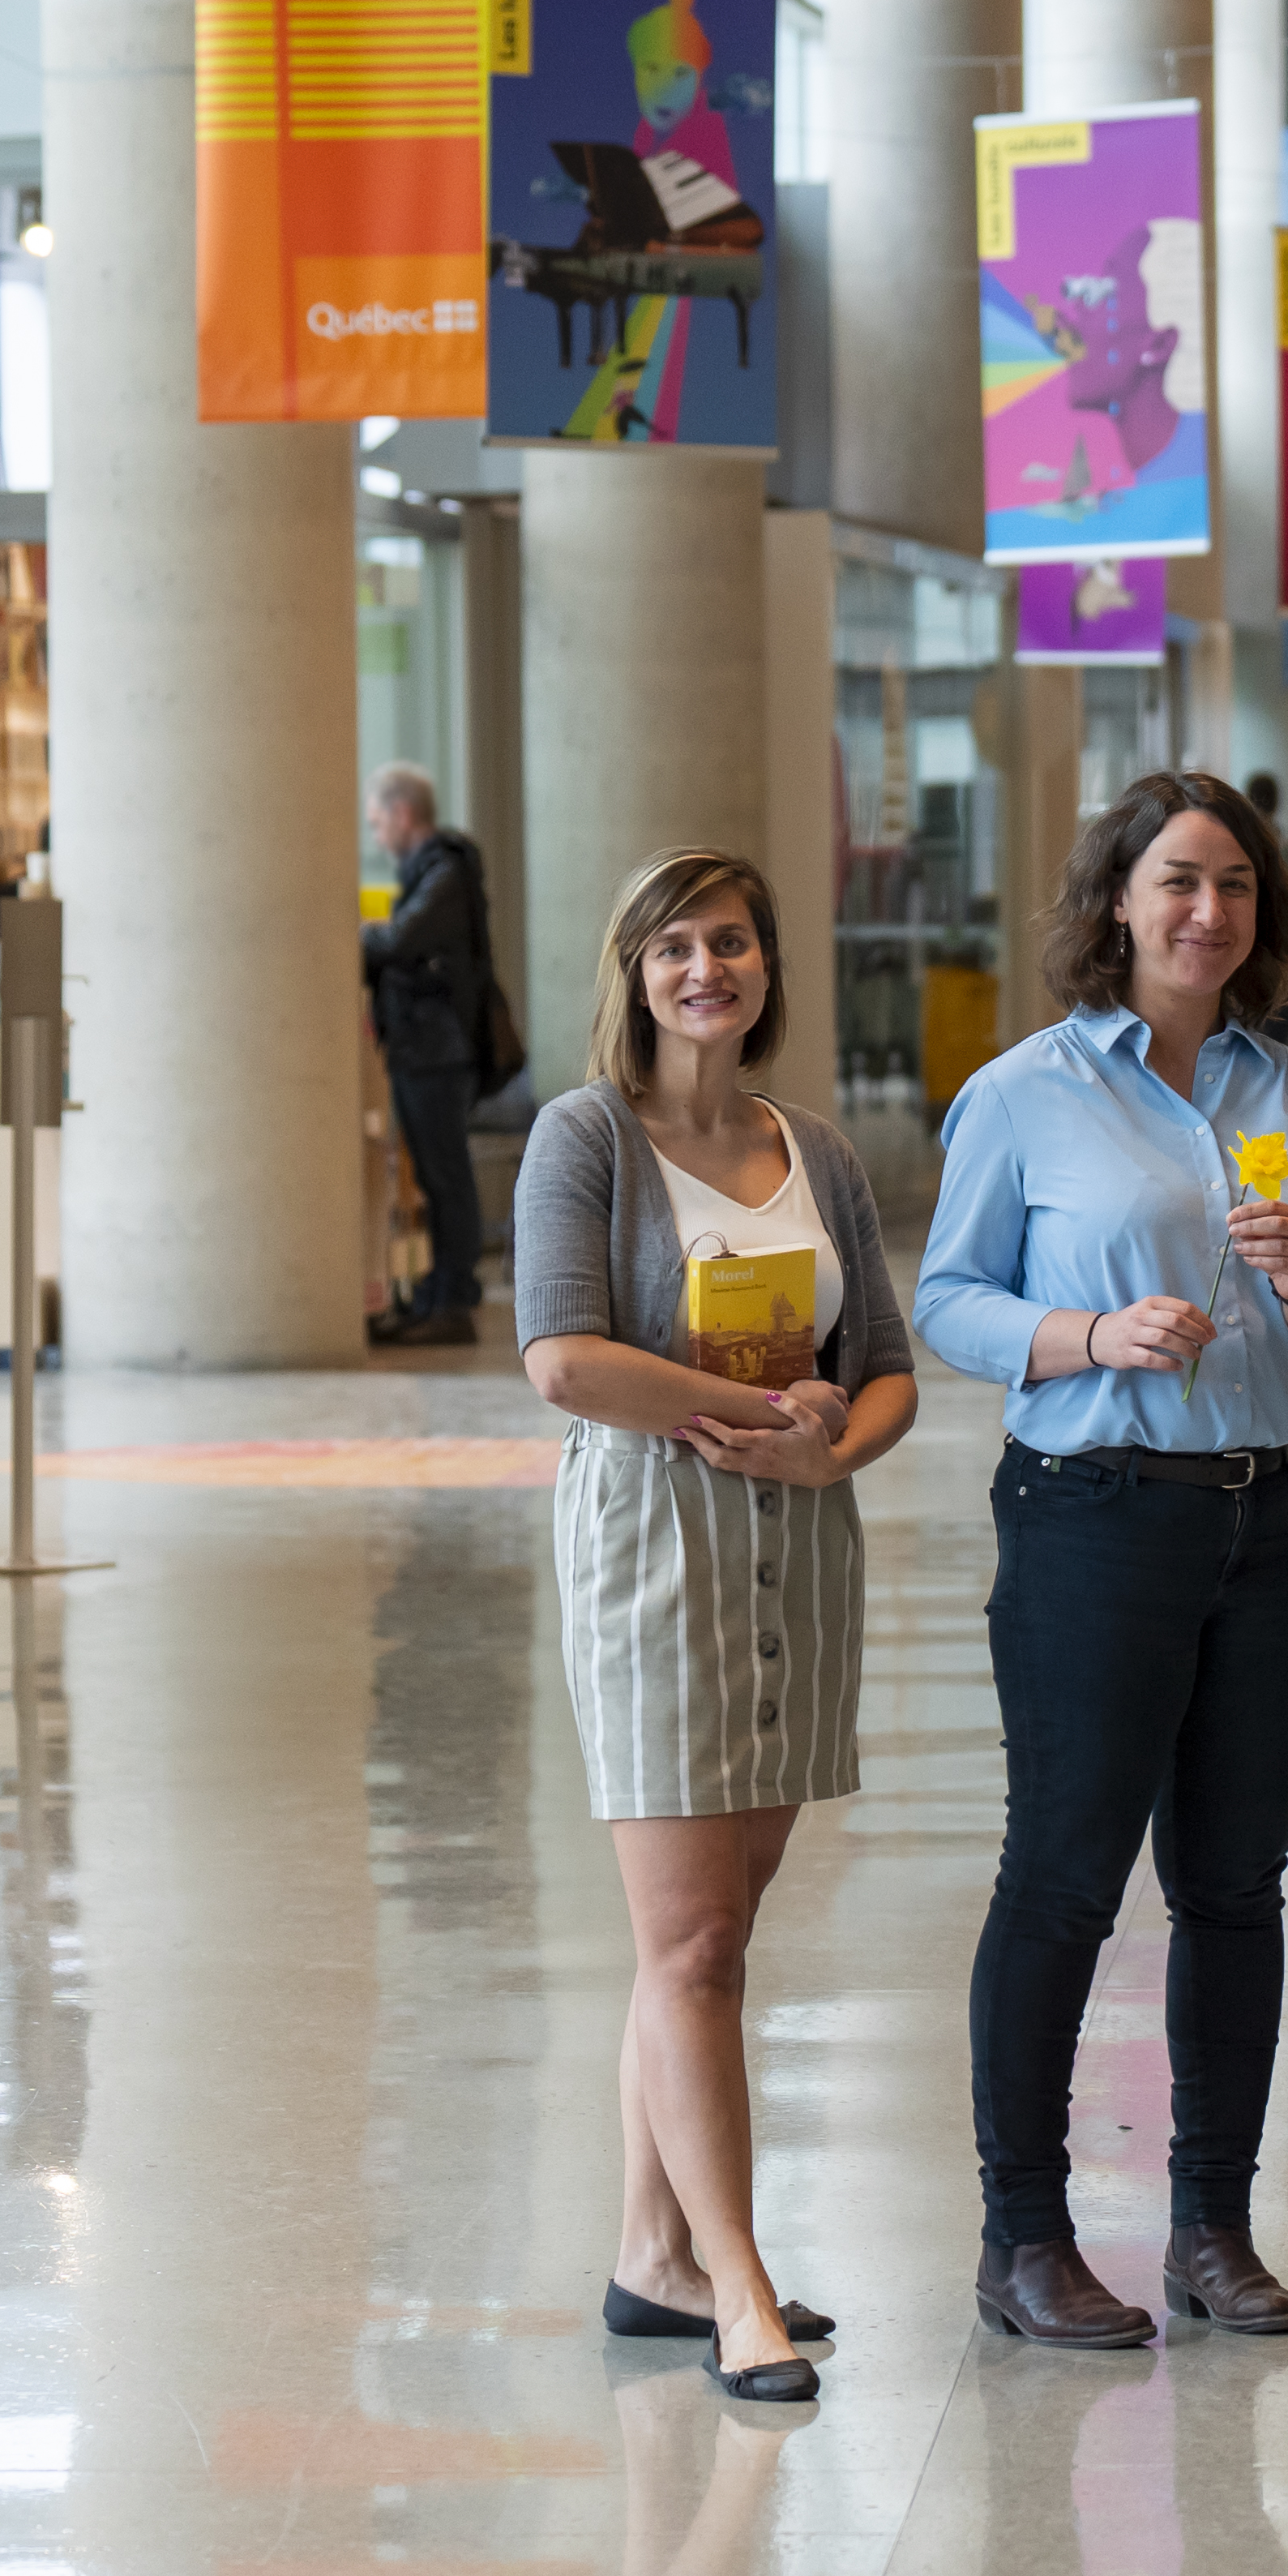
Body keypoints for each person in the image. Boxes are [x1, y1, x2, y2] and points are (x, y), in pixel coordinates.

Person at [918, 769, 1288, 2345]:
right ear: (1117, 901)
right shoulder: (1026, 1091)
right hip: (1095, 1513)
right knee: (1063, 1879)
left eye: (1235, 885)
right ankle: (1023, 2237)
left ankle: (1211, 2228)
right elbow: (947, 1299)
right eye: (1177, 879)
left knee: (1235, 1888)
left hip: (1275, 1519)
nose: (1207, 910)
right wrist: (1088, 1332)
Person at [512, 850, 920, 2404]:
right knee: (690, 1944)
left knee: (706, 1935)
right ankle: (738, 2281)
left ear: (766, 966)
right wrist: (745, 1407)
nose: (707, 969)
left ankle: (655, 2258)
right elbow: (562, 1359)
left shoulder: (812, 1148)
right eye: (674, 945)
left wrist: (830, 1447)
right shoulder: (585, 1137)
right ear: (633, 971)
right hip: (652, 1543)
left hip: (798, 1543)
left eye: (731, 940)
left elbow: (884, 1365)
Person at [366, 765, 516, 1344]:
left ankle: (453, 1300)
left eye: (378, 823)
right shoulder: (434, 872)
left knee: (446, 1175)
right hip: (424, 1047)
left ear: (403, 813)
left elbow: (401, 939)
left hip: (437, 1050)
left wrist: (351, 935)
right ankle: (436, 1296)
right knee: (435, 1175)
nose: (378, 836)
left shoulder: (445, 873)